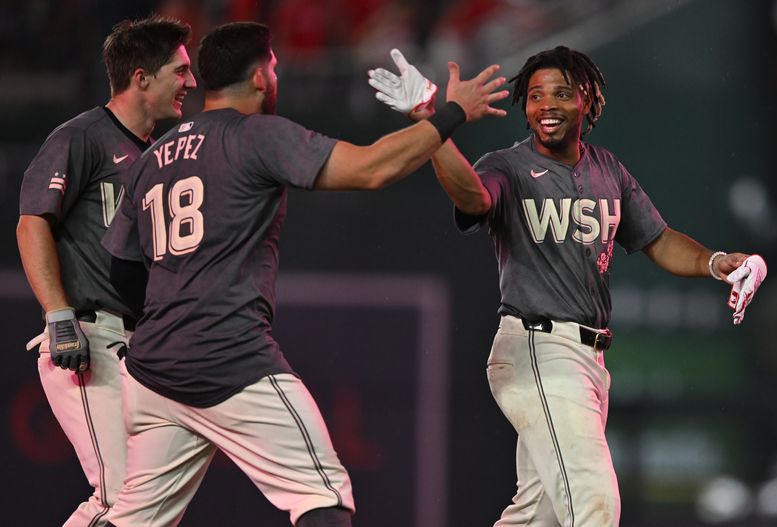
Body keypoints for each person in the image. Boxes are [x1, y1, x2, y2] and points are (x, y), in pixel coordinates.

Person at [100, 21, 507, 527]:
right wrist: (450, 113)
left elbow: (121, 271)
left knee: (129, 520)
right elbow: (372, 169)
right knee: (323, 500)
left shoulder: (151, 159)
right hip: (228, 359)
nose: (276, 76)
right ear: (257, 79)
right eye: (273, 67)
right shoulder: (257, 134)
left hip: (153, 373)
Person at [368, 46, 768, 525]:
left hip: (587, 361)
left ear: (588, 99)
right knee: (594, 504)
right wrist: (430, 123)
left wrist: (718, 261)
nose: (546, 105)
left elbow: (658, 240)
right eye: (535, 96)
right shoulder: (507, 166)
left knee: (537, 517)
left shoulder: (607, 169)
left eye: (561, 93)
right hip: (538, 348)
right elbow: (471, 196)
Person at [16, 16, 196, 526]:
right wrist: (57, 314)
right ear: (141, 77)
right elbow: (31, 225)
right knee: (123, 499)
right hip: (88, 338)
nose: (191, 82)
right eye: (180, 70)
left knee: (152, 508)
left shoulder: (162, 157)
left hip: (140, 351)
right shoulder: (83, 136)